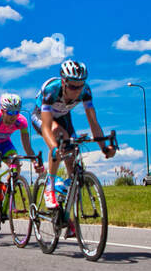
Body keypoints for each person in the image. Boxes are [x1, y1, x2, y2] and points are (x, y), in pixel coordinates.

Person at [35, 59, 117, 221]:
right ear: (64, 82)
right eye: (73, 86)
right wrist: (54, 147)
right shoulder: (51, 89)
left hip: (64, 117)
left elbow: (93, 122)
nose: (76, 90)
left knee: (72, 161)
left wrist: (104, 147)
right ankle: (50, 187)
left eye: (80, 86)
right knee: (59, 136)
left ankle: (67, 218)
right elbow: (46, 127)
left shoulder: (85, 91)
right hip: (43, 117)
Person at [0, 93, 40, 232]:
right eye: (10, 112)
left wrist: (34, 161)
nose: (13, 116)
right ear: (2, 111)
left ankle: (8, 188)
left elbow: (27, 146)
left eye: (16, 112)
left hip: (6, 144)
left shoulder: (22, 121)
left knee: (16, 164)